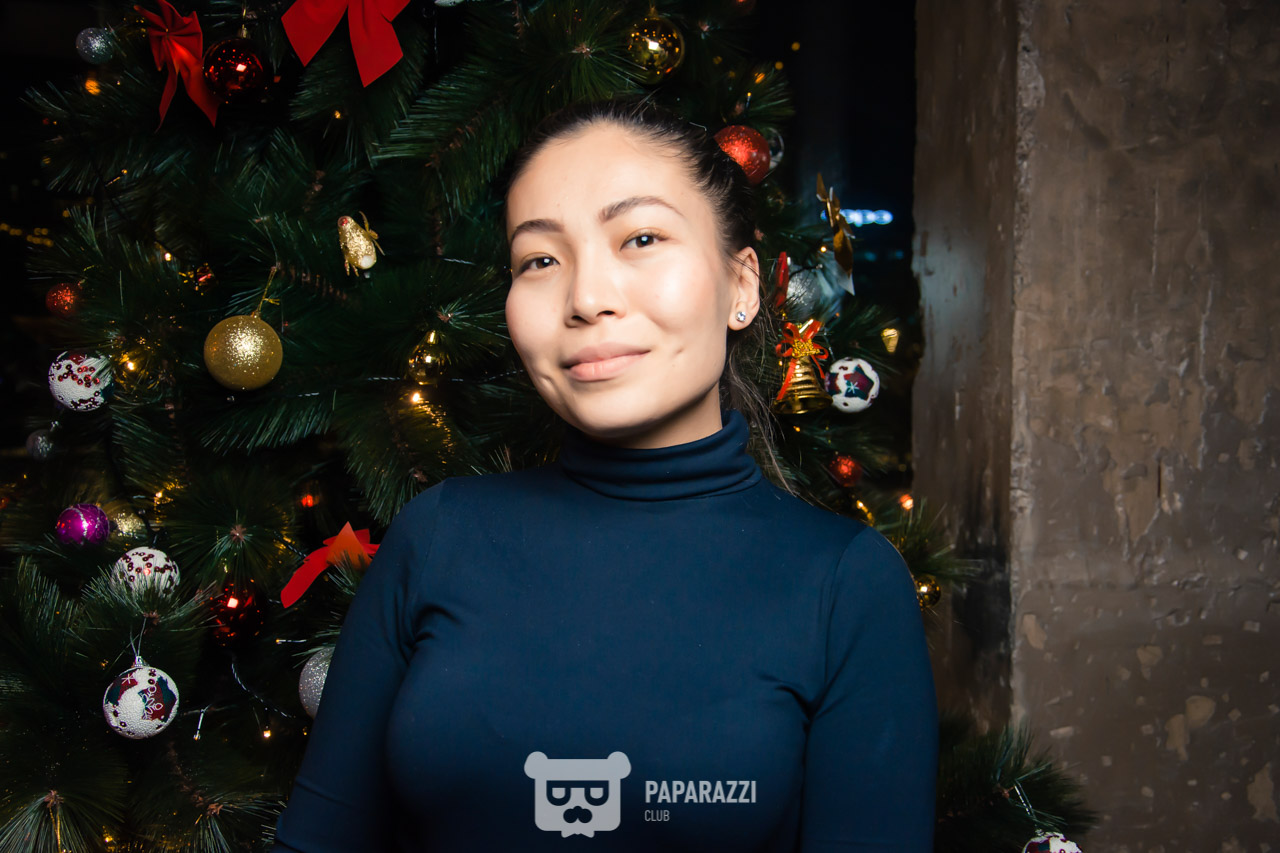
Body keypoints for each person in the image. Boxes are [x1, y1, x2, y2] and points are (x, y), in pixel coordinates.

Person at [271, 98, 938, 852]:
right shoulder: (437, 535)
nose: (586, 299)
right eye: (540, 260)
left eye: (641, 238)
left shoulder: (847, 585)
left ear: (742, 286)